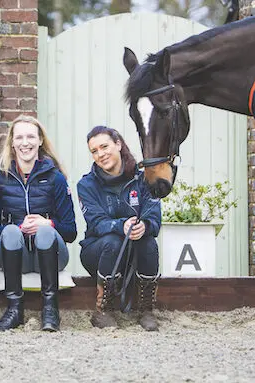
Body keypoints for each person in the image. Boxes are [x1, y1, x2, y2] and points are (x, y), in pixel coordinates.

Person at [0, 115, 77, 332]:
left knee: (45, 231)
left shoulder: (56, 178)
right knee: (8, 231)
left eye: (30, 137)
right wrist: (18, 229)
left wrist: (48, 224)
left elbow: (71, 232)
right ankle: (14, 309)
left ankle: (50, 309)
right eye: (19, 137)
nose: (25, 142)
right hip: (15, 255)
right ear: (12, 142)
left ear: (40, 141)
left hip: (51, 255)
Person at [77, 126, 162, 331]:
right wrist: (120, 225)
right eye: (94, 151)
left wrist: (145, 225)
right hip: (97, 252)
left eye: (104, 146)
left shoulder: (143, 179)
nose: (101, 154)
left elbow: (154, 216)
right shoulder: (86, 184)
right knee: (113, 240)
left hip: (134, 253)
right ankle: (103, 310)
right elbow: (96, 223)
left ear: (118, 144)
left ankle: (146, 309)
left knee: (149, 241)